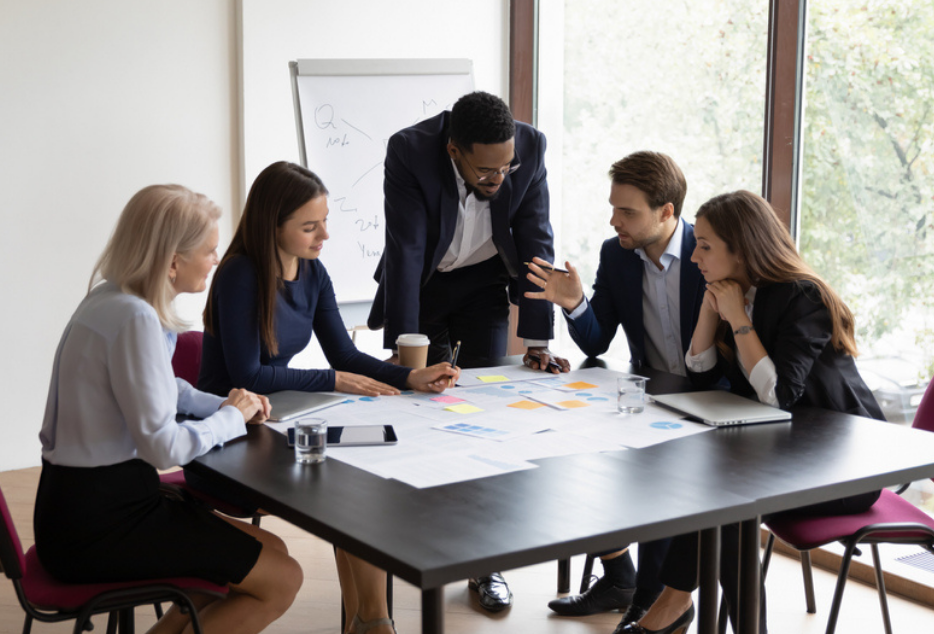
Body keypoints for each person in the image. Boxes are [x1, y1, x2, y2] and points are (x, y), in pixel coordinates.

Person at [197, 161, 459, 634]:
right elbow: (247, 374)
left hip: (276, 426)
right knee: (349, 491)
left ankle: (369, 621)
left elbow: (344, 353)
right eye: (309, 226)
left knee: (361, 479)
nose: (324, 236)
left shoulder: (313, 273)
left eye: (325, 221)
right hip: (228, 441)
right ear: (271, 225)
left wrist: (410, 377)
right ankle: (373, 624)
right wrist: (331, 380)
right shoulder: (240, 275)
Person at [34, 184, 302, 634]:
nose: (216, 260)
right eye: (209, 251)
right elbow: (163, 449)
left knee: (271, 548)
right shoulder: (134, 317)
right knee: (283, 579)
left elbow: (164, 385)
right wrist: (230, 418)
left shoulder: (111, 298)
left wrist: (225, 403)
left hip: (77, 507)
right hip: (102, 524)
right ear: (172, 261)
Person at [618, 190, 883, 634]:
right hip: (785, 451)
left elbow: (780, 396)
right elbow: (699, 377)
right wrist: (709, 312)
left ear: (741, 249)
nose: (695, 254)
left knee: (728, 497)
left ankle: (675, 605)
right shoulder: (737, 291)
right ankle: (681, 605)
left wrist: (737, 318)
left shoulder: (805, 297)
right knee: (720, 488)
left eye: (705, 245)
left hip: (846, 465)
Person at [366, 90, 569, 611]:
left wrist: (539, 341)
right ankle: (415, 545)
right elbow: (407, 249)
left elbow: (536, 242)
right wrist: (405, 349)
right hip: (425, 284)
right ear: (455, 149)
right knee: (422, 412)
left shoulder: (532, 147)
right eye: (486, 170)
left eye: (507, 167)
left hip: (484, 284)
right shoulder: (409, 151)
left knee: (485, 416)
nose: (499, 178)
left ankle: (484, 562)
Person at [524, 151, 706, 631]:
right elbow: (597, 338)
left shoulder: (704, 252)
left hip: (708, 402)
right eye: (613, 207)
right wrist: (575, 303)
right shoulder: (616, 254)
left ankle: (650, 601)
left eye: (627, 212)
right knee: (570, 456)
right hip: (649, 395)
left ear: (667, 212)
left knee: (663, 477)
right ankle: (621, 576)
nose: (614, 220)